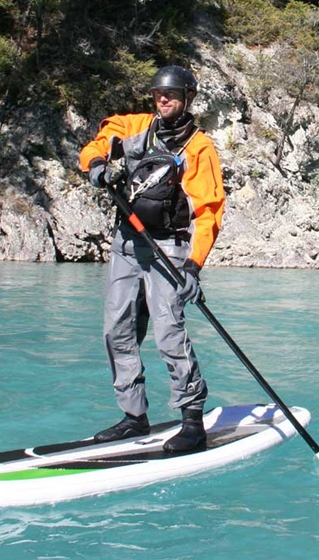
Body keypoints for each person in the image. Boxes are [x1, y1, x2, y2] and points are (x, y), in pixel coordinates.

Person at [77, 65, 226, 453]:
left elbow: (209, 211)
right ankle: (133, 417)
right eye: (159, 93)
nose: (163, 99)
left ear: (187, 98)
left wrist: (193, 266)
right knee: (118, 330)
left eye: (171, 94)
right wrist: (96, 165)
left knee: (169, 333)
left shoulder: (198, 147)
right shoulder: (136, 127)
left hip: (170, 249)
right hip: (127, 244)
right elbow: (98, 143)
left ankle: (192, 421)